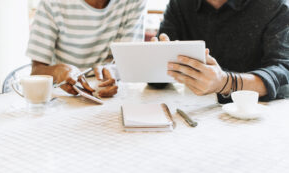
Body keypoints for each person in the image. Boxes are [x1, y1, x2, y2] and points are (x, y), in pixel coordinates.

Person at [153, 0, 289, 102]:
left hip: (257, 113)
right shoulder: (179, 5)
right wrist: (154, 59)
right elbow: (157, 79)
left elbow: (283, 73)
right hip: (194, 111)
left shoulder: (274, 5)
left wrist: (226, 83)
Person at [27, 0, 146, 97]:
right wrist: (58, 71)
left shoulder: (134, 2)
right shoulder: (51, 3)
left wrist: (114, 71)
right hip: (64, 97)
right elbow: (36, 71)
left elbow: (130, 63)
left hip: (113, 95)